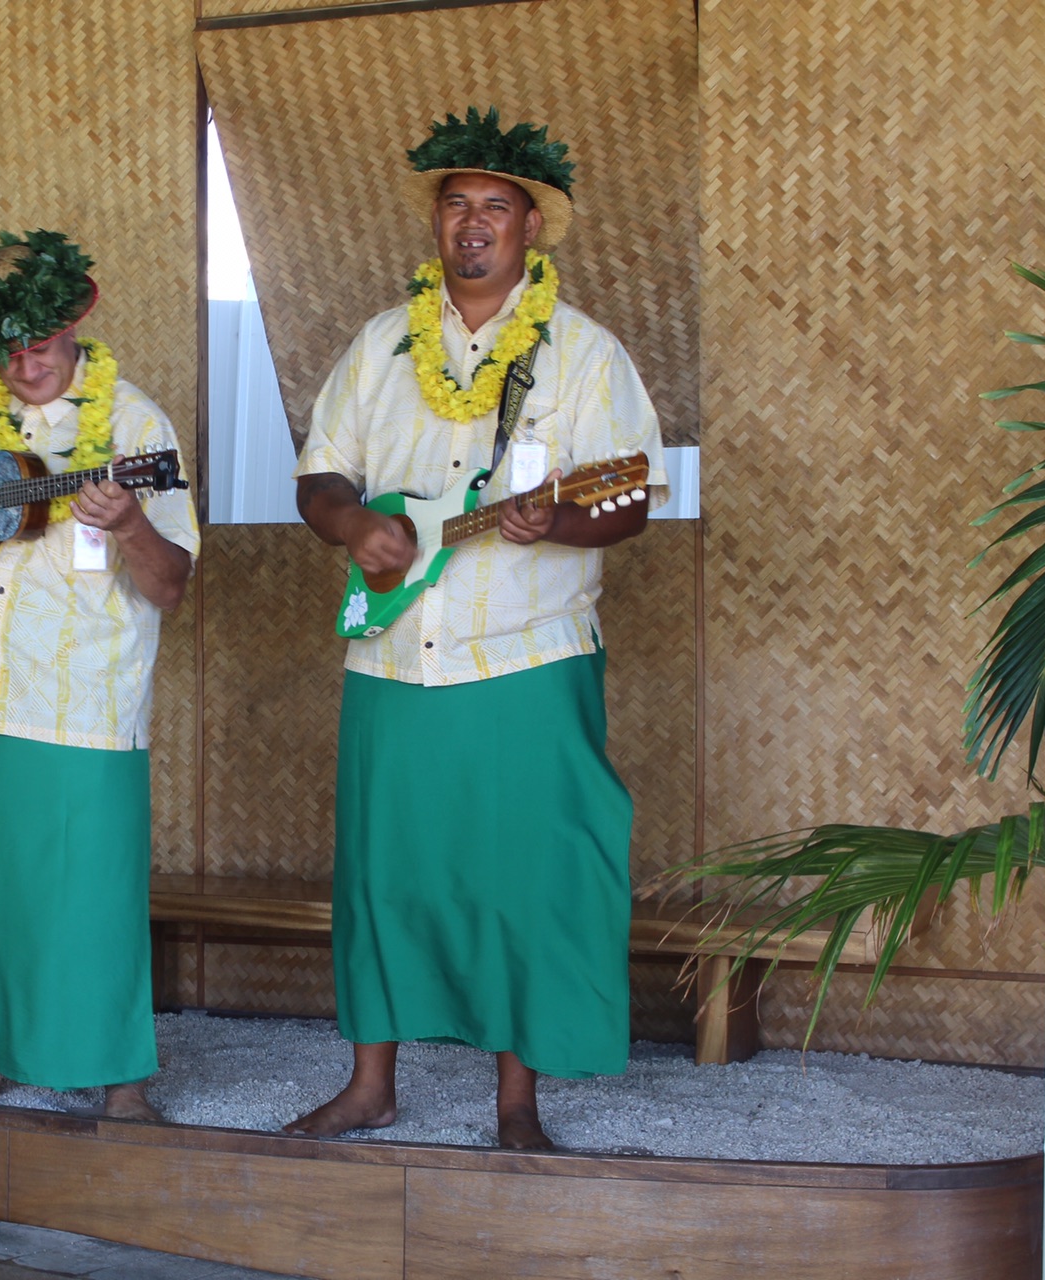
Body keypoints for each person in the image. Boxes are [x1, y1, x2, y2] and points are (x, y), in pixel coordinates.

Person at [286, 109, 667, 1149]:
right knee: (382, 871)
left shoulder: (583, 354)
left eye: (495, 206)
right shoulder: (379, 344)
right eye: (457, 205)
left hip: (527, 658)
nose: (472, 224)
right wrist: (354, 521)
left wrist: (565, 517)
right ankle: (370, 1083)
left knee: (524, 874)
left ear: (531, 228)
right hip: (393, 654)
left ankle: (517, 1100)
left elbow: (631, 495)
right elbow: (321, 474)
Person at [0, 230, 199, 1121]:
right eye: (7, 349)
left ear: (70, 330)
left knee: (94, 887)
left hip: (91, 693)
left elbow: (170, 585)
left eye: (42, 343)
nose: (27, 362)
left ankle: (120, 1071)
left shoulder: (134, 424)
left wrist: (131, 524)